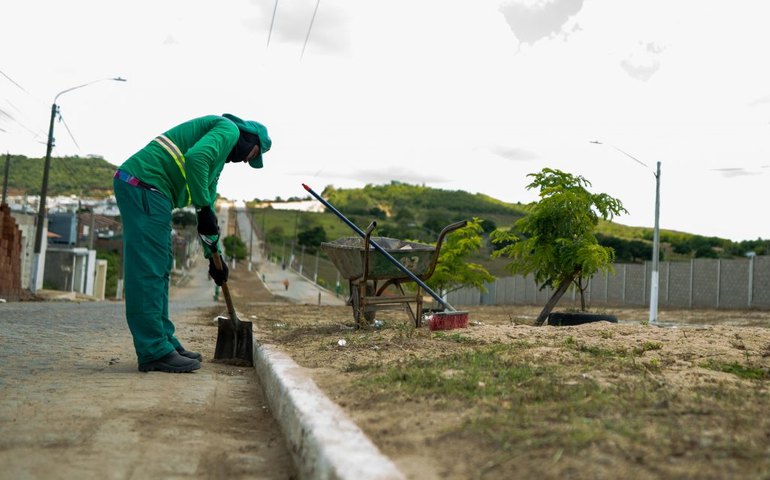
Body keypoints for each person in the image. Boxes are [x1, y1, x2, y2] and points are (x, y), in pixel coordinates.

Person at [113, 114, 271, 373]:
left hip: (153, 192)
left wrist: (214, 257)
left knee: (161, 267)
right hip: (143, 185)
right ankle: (153, 350)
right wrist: (203, 209)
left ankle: (165, 341)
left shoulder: (217, 161)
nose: (247, 160)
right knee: (149, 271)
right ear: (249, 138)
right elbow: (195, 159)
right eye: (253, 153)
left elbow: (207, 210)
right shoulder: (229, 129)